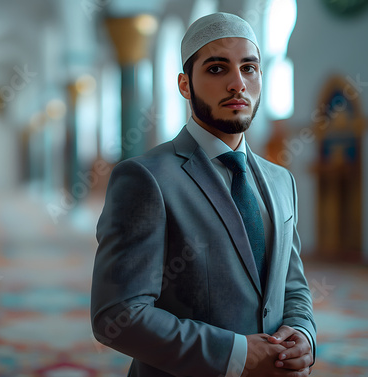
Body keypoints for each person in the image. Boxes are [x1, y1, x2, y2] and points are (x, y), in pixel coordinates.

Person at [91, 12, 316, 377]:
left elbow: (292, 287)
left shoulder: (280, 181)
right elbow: (117, 315)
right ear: (184, 84)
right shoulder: (145, 178)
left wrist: (304, 335)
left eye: (249, 68)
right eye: (216, 69)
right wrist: (237, 354)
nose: (237, 84)